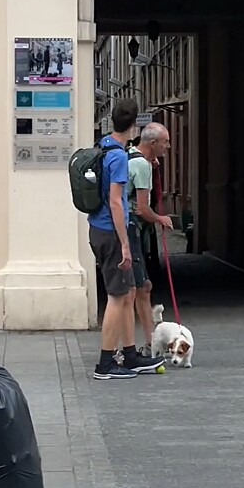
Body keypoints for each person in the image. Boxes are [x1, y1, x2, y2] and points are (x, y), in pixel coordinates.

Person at [88, 100, 165, 380]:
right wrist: (124, 243)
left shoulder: (104, 145)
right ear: (133, 127)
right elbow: (116, 201)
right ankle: (105, 364)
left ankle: (130, 357)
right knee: (118, 297)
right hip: (110, 231)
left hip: (97, 227)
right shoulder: (119, 156)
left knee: (128, 292)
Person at [126, 123, 174, 357]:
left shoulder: (132, 158)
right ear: (152, 143)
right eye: (165, 142)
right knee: (135, 289)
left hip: (124, 229)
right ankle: (141, 346)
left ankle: (147, 343)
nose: (168, 146)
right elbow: (142, 209)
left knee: (140, 287)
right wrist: (161, 219)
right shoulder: (141, 165)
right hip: (130, 229)